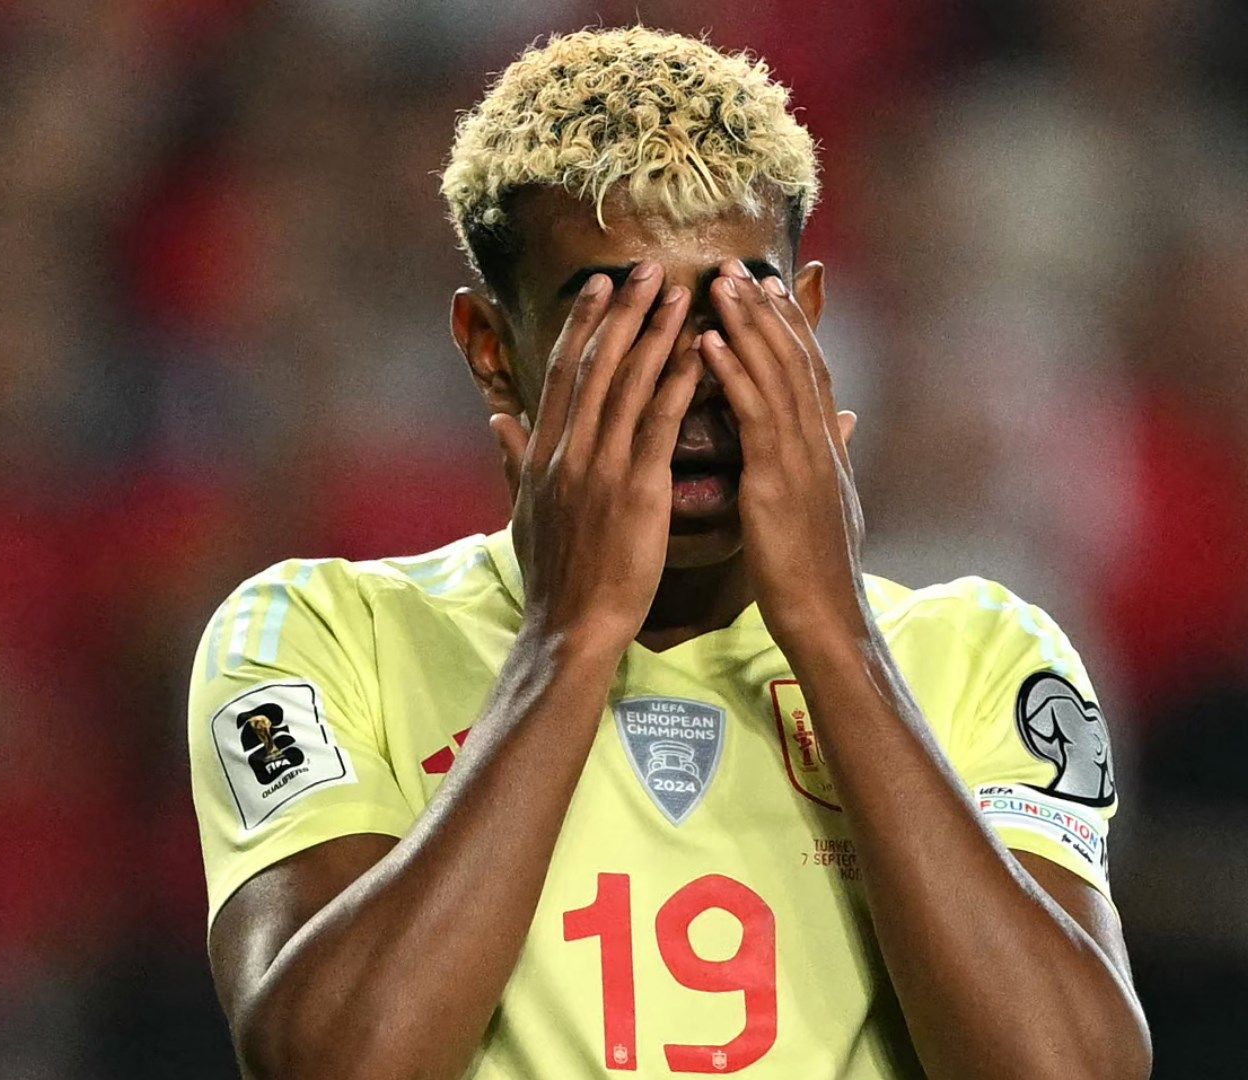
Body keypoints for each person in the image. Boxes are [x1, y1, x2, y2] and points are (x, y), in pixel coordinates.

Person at [185, 25, 1150, 1080]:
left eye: (737, 308)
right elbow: (333, 1064)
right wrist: (569, 642)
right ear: (493, 352)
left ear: (807, 322)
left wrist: (833, 632)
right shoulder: (321, 636)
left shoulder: (983, 654)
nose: (693, 379)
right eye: (623, 319)